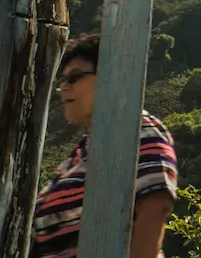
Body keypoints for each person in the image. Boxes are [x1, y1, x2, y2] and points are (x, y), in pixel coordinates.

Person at [31, 34, 179, 258]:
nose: (64, 88)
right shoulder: (80, 153)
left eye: (75, 77)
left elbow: (155, 206)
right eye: (62, 81)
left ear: (109, 76)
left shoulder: (136, 129)